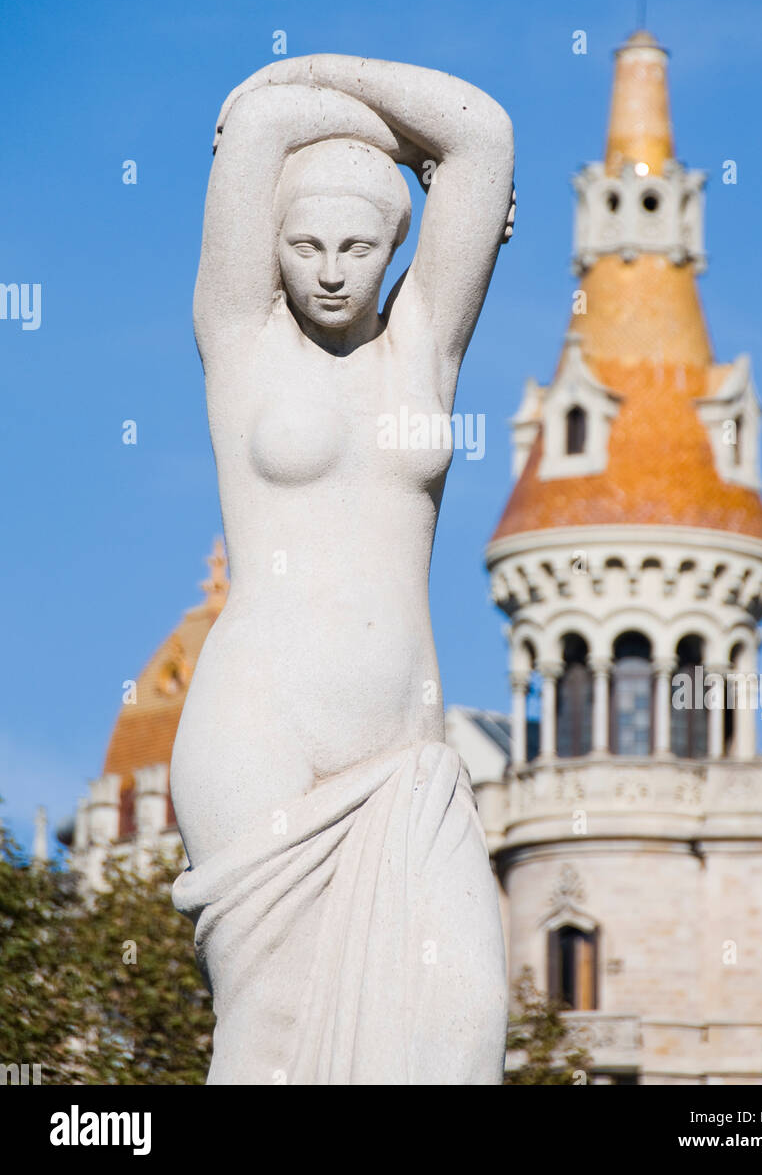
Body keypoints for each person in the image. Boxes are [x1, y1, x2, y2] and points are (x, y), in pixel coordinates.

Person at [171, 55, 515, 1084]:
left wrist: (328, 87)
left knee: (462, 1020)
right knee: (270, 1039)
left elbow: (480, 135)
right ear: (268, 249)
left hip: (403, 746)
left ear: (394, 243)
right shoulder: (239, 343)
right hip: (258, 730)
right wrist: (367, 129)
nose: (328, 268)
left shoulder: (423, 351)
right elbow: (258, 123)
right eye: (304, 243)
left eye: (357, 245)